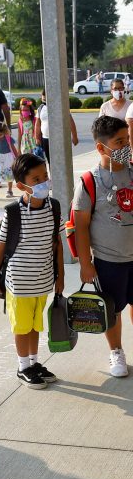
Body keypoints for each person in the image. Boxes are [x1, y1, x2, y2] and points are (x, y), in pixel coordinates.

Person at [0, 153, 64, 390]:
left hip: (42, 281)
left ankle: (34, 363)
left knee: (35, 325)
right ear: (21, 185)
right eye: (36, 179)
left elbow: (57, 244)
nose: (43, 182)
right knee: (22, 327)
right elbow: (0, 249)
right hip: (19, 283)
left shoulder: (53, 208)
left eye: (45, 176)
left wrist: (60, 277)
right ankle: (23, 367)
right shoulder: (13, 212)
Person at [73, 116, 133, 378]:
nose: (126, 145)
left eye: (128, 139)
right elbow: (81, 226)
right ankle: (116, 351)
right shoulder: (89, 181)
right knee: (113, 308)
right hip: (109, 260)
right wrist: (86, 263)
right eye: (119, 141)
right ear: (101, 147)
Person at [35, 88, 79, 167]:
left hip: (59, 139)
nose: (44, 99)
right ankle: (53, 178)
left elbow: (70, 121)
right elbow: (37, 124)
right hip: (46, 139)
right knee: (50, 162)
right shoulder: (40, 109)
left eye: (45, 97)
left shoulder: (60, 107)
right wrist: (37, 138)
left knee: (61, 162)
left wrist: (74, 136)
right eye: (43, 97)